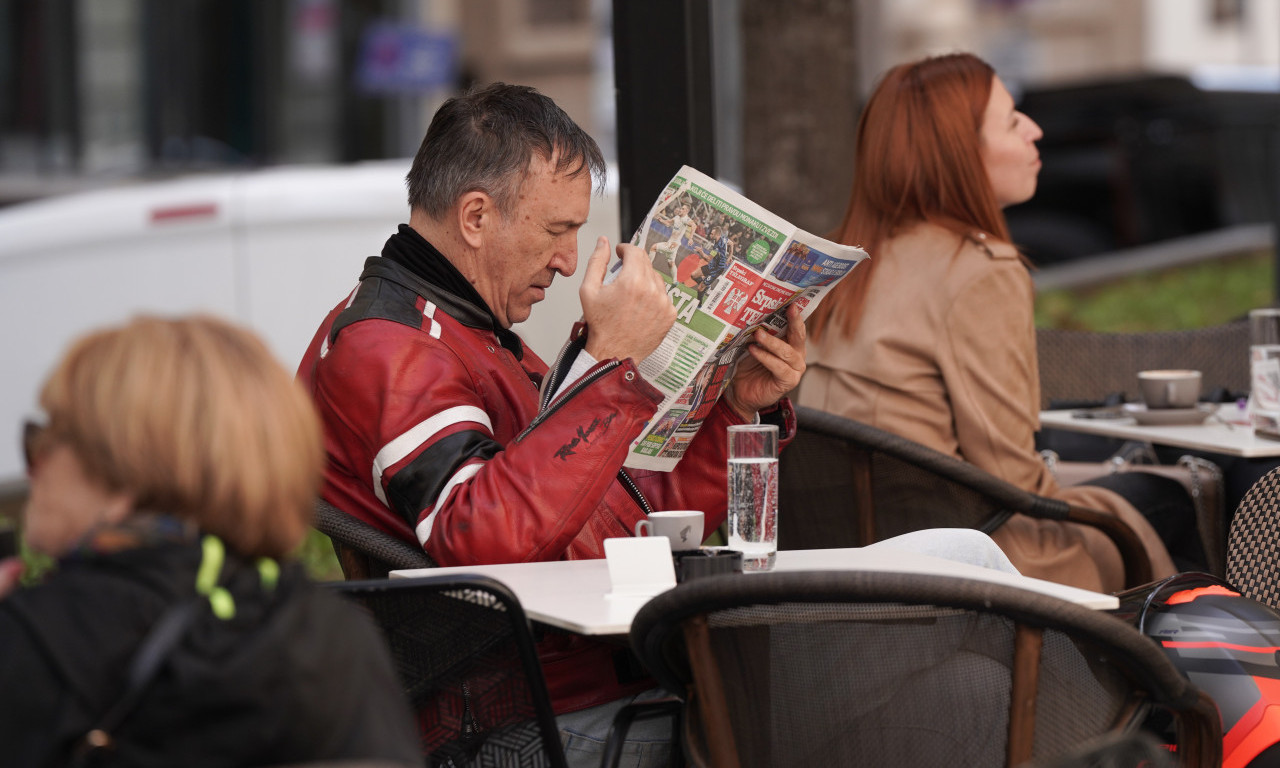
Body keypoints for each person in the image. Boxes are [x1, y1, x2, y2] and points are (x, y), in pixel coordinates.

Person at [297, 82, 1018, 768]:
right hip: (558, 713)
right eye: (557, 230)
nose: (568, 259)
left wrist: (739, 404)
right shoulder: (388, 348)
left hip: (622, 666)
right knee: (971, 599)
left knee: (969, 625)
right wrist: (610, 367)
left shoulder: (466, 335)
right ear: (477, 216)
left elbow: (635, 510)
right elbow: (480, 542)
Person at [799, 53, 1198, 594]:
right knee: (1170, 498)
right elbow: (1012, 478)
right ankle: (1188, 668)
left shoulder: (849, 266)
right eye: (1012, 121)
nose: (1035, 130)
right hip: (974, 557)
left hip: (858, 547)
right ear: (961, 154)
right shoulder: (979, 271)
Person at [0, 315, 421, 767]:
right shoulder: (337, 639)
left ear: (122, 475)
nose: (33, 469)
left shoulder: (35, 642)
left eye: (44, 441)